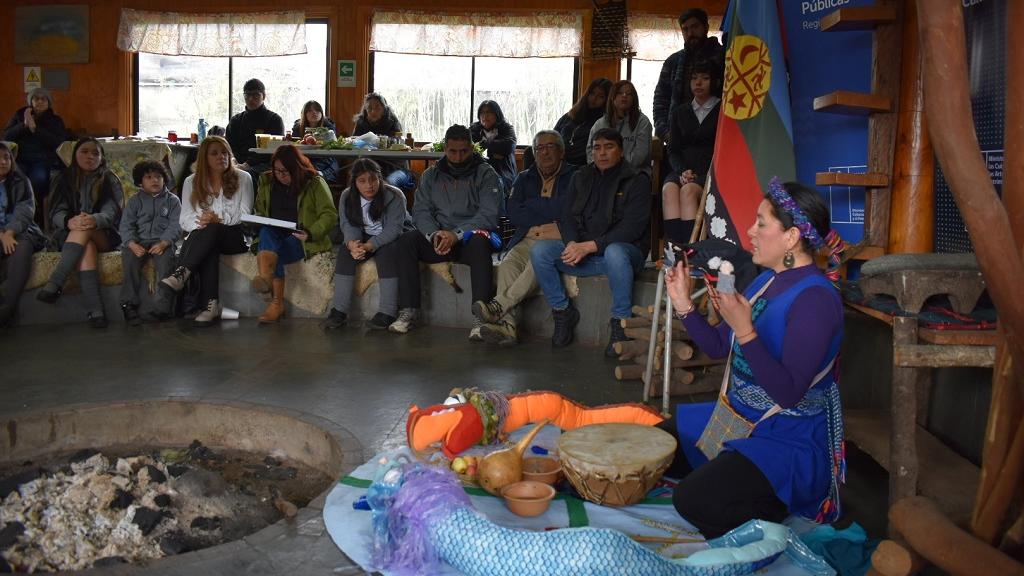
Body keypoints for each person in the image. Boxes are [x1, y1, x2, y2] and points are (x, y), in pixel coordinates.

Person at [660, 178, 847, 538]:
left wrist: (746, 331)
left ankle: (777, 504)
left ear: (791, 237)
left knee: (692, 500)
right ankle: (731, 475)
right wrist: (684, 305)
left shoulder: (816, 300)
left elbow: (788, 394)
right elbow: (718, 346)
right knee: (657, 447)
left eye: (761, 223)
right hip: (740, 417)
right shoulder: (765, 281)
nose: (750, 231)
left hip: (788, 438)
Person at [531, 128, 650, 355]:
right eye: (597, 148)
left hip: (623, 257)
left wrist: (590, 246)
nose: (602, 153)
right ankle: (562, 311)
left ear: (621, 151)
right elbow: (567, 217)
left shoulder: (636, 180)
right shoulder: (581, 177)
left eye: (609, 147)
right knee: (541, 251)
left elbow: (632, 228)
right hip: (586, 255)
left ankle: (621, 322)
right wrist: (572, 243)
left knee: (615, 252)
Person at [391, 124, 501, 338]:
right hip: (439, 239)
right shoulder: (431, 175)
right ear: (445, 149)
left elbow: (489, 215)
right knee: (405, 241)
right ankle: (409, 310)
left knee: (480, 242)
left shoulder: (487, 174)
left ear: (472, 149)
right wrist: (434, 234)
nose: (458, 157)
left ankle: (481, 317)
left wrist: (456, 234)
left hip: (469, 240)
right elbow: (420, 211)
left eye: (464, 151)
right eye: (453, 151)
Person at [472, 130, 576, 346]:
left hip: (558, 240)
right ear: (534, 153)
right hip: (527, 238)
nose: (544, 153)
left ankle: (499, 305)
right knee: (507, 265)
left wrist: (532, 205)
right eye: (539, 148)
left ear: (561, 152)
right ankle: (508, 327)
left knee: (537, 261)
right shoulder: (524, 178)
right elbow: (513, 212)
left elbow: (569, 210)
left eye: (550, 147)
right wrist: (549, 210)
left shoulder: (575, 177)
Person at [159, 136, 254, 326]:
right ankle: (211, 306)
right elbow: (185, 218)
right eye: (215, 153)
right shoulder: (191, 181)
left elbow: (245, 215)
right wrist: (203, 223)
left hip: (235, 236)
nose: (221, 157)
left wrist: (218, 219)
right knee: (209, 241)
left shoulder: (244, 178)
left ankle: (183, 273)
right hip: (206, 235)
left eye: (225, 152)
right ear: (204, 158)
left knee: (212, 230)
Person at [36, 138, 124, 328]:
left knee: (86, 228)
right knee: (87, 245)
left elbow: (112, 211)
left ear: (102, 158)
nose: (90, 156)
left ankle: (56, 282)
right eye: (84, 151)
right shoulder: (63, 178)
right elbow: (55, 211)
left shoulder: (109, 179)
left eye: (95, 153)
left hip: (104, 233)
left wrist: (94, 219)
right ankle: (96, 311)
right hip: (68, 233)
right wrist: (69, 221)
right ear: (75, 155)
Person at [322, 159, 413, 331]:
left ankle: (387, 312)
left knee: (388, 253)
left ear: (379, 178)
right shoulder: (347, 196)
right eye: (362, 181)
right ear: (354, 182)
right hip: (364, 235)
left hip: (392, 237)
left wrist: (369, 246)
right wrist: (353, 244)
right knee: (345, 253)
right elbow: (347, 224)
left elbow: (394, 229)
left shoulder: (395, 195)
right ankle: (339, 311)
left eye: (373, 179)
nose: (369, 185)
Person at [251, 145, 338, 324]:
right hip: (273, 234)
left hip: (301, 238)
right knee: (267, 233)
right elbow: (259, 210)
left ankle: (275, 300)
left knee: (275, 253)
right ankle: (267, 282)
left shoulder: (314, 182)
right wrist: (254, 220)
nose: (280, 175)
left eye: (285, 171)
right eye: (277, 171)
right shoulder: (267, 182)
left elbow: (329, 214)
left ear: (297, 168)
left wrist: (311, 233)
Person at [662, 60, 722, 245]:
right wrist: (682, 171)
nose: (698, 83)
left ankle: (691, 252)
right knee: (668, 190)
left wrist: (695, 175)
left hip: (710, 171)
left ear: (715, 82)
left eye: (705, 78)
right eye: (694, 78)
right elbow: (673, 149)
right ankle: (674, 250)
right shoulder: (679, 112)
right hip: (683, 169)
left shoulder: (723, 109)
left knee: (687, 192)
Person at [118, 160, 181, 325]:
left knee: (166, 265)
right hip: (138, 241)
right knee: (129, 261)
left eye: (158, 177)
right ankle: (128, 304)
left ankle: (162, 309)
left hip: (162, 241)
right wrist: (131, 243)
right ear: (140, 181)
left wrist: (165, 243)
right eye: (149, 177)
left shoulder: (173, 201)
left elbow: (176, 225)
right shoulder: (134, 201)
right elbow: (126, 225)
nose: (155, 180)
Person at [652, 8, 725, 146]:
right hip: (679, 139)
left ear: (706, 27)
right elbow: (661, 99)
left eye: (695, 27)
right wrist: (666, 133)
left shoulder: (724, 57)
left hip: (718, 137)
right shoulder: (673, 62)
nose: (690, 33)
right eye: (685, 29)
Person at [3, 88, 67, 227]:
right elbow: (6, 137)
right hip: (20, 158)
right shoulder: (19, 116)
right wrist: (24, 125)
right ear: (30, 101)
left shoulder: (55, 120)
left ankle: (35, 218)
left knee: (38, 180)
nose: (39, 102)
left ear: (48, 103)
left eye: (43, 99)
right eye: (36, 99)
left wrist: (35, 129)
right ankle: (13, 217)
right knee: (15, 180)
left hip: (42, 160)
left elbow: (58, 142)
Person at [0, 143, 46, 327]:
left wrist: (10, 232)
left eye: (6, 158)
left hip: (21, 230)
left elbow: (25, 210)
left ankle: (7, 309)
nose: (3, 162)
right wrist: (2, 235)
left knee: (21, 247)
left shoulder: (20, 181)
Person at [587, 80, 653, 176]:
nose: (624, 96)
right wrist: (600, 168)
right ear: (612, 97)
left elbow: (640, 156)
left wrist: (616, 170)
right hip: (603, 173)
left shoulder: (642, 122)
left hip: (635, 173)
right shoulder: (600, 123)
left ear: (634, 99)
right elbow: (590, 150)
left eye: (629, 94)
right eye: (620, 93)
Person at [352, 93, 416, 190]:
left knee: (388, 183)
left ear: (384, 109)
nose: (373, 111)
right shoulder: (361, 123)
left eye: (377, 108)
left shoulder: (392, 122)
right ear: (365, 110)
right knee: (359, 182)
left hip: (395, 167)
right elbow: (354, 143)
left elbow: (399, 147)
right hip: (370, 167)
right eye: (369, 108)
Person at [226, 78, 285, 181]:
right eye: (247, 95)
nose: (251, 99)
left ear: (264, 96)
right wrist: (234, 161)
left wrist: (247, 164)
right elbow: (229, 146)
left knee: (246, 175)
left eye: (255, 95)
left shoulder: (274, 120)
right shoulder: (235, 120)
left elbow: (273, 151)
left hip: (264, 163)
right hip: (236, 162)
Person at [554, 78, 612, 168]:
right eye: (592, 93)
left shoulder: (602, 123)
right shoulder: (571, 115)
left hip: (580, 166)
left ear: (607, 100)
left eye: (600, 96)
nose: (594, 99)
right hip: (558, 161)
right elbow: (553, 135)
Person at [470, 100, 517, 189]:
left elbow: (509, 146)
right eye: (482, 113)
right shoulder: (474, 129)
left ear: (497, 114)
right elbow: (469, 149)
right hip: (478, 170)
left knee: (497, 185)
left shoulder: (506, 128)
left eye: (489, 112)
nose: (485, 116)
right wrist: (494, 151)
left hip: (503, 171)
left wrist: (485, 145)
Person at [291, 100, 340, 184]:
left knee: (330, 167)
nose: (314, 113)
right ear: (304, 114)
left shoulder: (329, 128)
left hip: (325, 158)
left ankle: (317, 176)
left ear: (321, 113)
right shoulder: (298, 128)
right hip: (304, 158)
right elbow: (295, 147)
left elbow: (331, 148)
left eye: (317, 110)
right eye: (310, 111)